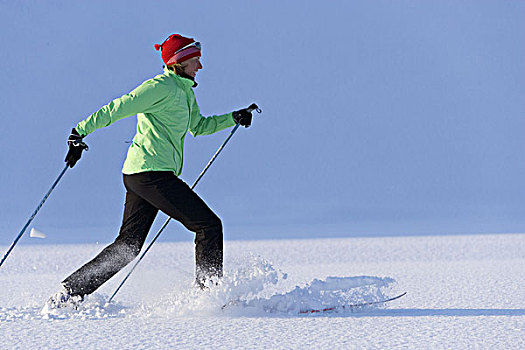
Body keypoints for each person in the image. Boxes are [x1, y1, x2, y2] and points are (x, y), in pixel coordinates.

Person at [46, 34, 255, 308]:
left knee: (128, 246)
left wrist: (232, 118)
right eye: (195, 61)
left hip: (143, 174)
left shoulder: (184, 91)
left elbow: (199, 127)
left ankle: (69, 292)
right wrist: (80, 131)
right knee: (208, 225)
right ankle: (212, 297)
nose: (200, 67)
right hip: (151, 174)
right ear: (179, 62)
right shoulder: (160, 87)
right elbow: (120, 106)